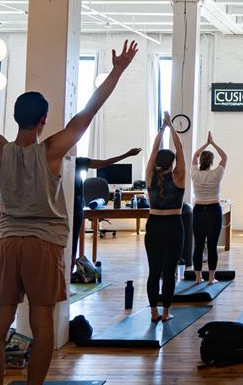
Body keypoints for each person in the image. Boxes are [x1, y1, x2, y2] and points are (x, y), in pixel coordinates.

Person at [0, 35, 137, 385]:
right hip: (44, 245)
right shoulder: (51, 150)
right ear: (44, 119)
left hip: (8, 243)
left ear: (16, 117)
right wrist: (117, 71)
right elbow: (88, 112)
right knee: (42, 324)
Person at [145, 112, 186, 322]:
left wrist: (162, 129)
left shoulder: (149, 176)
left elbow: (153, 150)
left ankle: (154, 312)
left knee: (154, 271)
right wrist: (171, 126)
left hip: (153, 225)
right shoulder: (178, 177)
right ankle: (166, 313)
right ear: (172, 163)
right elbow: (180, 149)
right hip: (173, 226)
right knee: (169, 272)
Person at [72, 148, 141, 265]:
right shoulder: (77, 162)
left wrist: (127, 154)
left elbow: (105, 163)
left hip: (74, 208)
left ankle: (69, 268)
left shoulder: (75, 161)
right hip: (73, 208)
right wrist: (127, 154)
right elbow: (105, 163)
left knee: (71, 246)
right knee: (71, 246)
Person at [190, 132, 226, 284]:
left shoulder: (194, 174)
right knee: (212, 246)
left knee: (198, 246)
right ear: (211, 162)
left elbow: (194, 155)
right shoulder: (216, 174)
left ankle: (198, 277)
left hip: (198, 211)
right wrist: (213, 143)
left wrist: (206, 144)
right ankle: (211, 278)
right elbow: (224, 157)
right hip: (213, 211)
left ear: (200, 161)